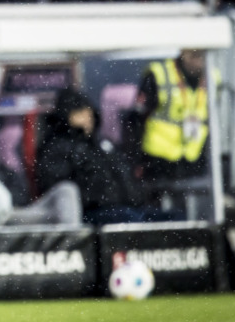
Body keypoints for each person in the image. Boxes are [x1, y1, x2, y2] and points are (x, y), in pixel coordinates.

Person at [37, 88, 163, 225]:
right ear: (66, 117)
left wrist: (135, 197)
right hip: (91, 214)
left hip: (127, 209)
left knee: (174, 219)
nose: (87, 119)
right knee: (131, 220)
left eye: (88, 113)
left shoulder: (103, 145)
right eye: (80, 114)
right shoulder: (56, 148)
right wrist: (99, 196)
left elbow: (126, 177)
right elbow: (60, 190)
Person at [135, 49, 211, 189]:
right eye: (193, 54)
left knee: (193, 203)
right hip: (158, 157)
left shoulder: (212, 76)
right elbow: (137, 119)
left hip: (193, 155)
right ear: (183, 52)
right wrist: (136, 160)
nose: (198, 60)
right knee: (160, 204)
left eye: (201, 54)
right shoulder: (159, 73)